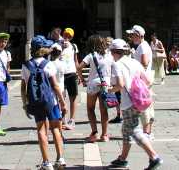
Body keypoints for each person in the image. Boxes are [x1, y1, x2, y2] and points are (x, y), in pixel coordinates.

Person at [108, 38, 163, 169]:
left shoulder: (117, 64)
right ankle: (122, 159)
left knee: (134, 131)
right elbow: (148, 81)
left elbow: (120, 84)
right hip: (140, 101)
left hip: (129, 102)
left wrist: (110, 90)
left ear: (115, 52)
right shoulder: (134, 62)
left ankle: (154, 157)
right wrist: (139, 90)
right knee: (127, 130)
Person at [21, 35, 67, 170]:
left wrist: (25, 104)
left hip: (35, 101)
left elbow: (23, 87)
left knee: (41, 130)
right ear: (42, 49)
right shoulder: (48, 65)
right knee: (56, 129)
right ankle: (60, 159)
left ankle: (46, 162)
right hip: (50, 101)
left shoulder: (26, 65)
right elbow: (55, 86)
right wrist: (63, 102)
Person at [77, 34, 113, 142]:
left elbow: (79, 68)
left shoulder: (91, 55)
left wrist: (83, 80)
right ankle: (105, 135)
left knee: (90, 108)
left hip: (93, 83)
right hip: (105, 84)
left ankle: (94, 133)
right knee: (104, 110)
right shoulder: (109, 55)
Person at [129, 25, 155, 138]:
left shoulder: (143, 47)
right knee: (148, 104)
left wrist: (138, 76)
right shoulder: (144, 45)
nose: (131, 37)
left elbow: (144, 63)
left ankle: (146, 132)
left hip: (142, 81)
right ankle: (148, 131)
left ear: (139, 35)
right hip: (146, 79)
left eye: (133, 35)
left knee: (144, 106)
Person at [61, 27, 79, 130]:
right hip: (61, 74)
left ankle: (72, 119)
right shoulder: (58, 45)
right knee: (61, 97)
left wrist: (78, 73)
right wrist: (62, 48)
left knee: (73, 97)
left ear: (72, 37)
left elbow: (76, 60)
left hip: (71, 73)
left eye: (69, 35)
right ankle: (63, 119)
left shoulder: (74, 46)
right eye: (65, 34)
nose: (67, 37)